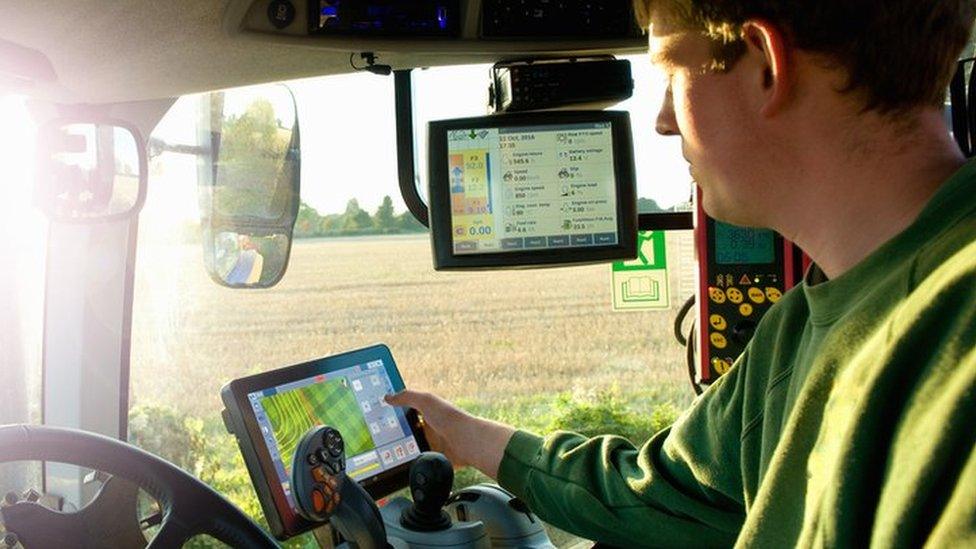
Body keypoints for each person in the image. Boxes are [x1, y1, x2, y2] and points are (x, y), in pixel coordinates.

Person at [388, 0, 976, 546]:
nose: (664, 120)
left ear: (766, 66)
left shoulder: (955, 342)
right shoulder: (799, 327)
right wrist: (469, 437)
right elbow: (660, 494)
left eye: (672, 73)